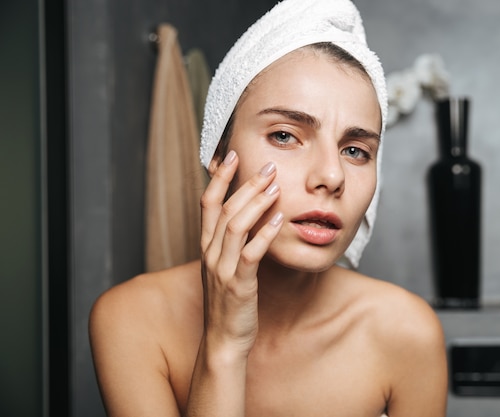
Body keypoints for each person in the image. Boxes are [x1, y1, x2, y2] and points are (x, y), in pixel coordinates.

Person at [89, 0, 448, 416]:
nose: (332, 176)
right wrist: (223, 346)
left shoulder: (406, 331)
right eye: (284, 136)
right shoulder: (130, 321)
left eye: (355, 150)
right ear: (221, 157)